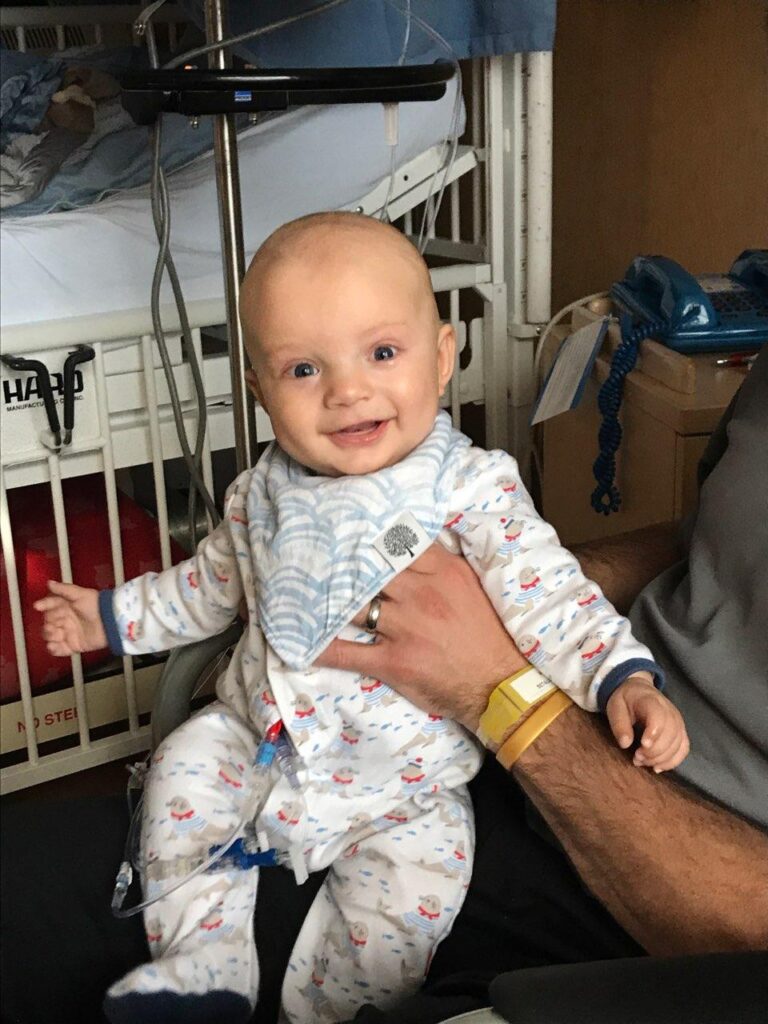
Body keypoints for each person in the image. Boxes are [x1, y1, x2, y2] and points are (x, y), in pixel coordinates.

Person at [32, 212, 686, 1024]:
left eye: (381, 353)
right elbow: (204, 589)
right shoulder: (260, 494)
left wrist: (620, 675)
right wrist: (113, 617)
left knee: (408, 907)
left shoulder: (467, 489)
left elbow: (551, 596)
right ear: (260, 391)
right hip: (254, 741)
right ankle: (205, 967)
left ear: (442, 358)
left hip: (405, 783)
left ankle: (330, 1013)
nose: (346, 391)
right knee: (182, 777)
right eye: (304, 369)